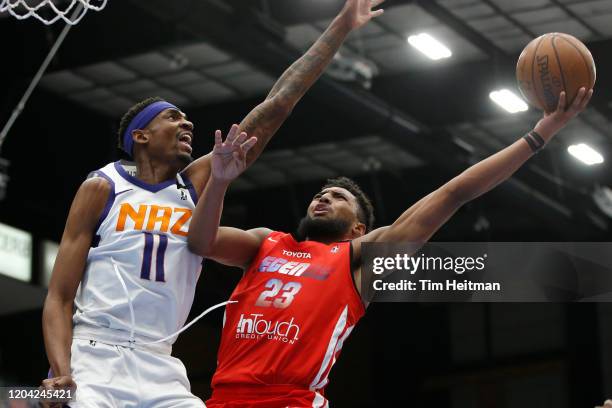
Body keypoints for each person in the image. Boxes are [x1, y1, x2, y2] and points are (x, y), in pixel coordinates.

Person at [40, 0, 384, 405]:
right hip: (95, 350)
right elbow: (59, 297)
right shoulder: (103, 185)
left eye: (186, 117)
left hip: (159, 361)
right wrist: (61, 372)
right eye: (170, 117)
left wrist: (340, 27)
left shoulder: (199, 182)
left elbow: (277, 104)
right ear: (140, 136)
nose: (186, 122)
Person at [187, 88, 593, 407]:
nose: (324, 198)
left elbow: (455, 193)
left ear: (359, 227)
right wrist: (219, 181)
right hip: (222, 398)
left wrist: (540, 134)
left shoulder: (359, 262)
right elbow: (200, 242)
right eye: (321, 194)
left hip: (288, 402)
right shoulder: (265, 242)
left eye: (338, 198)